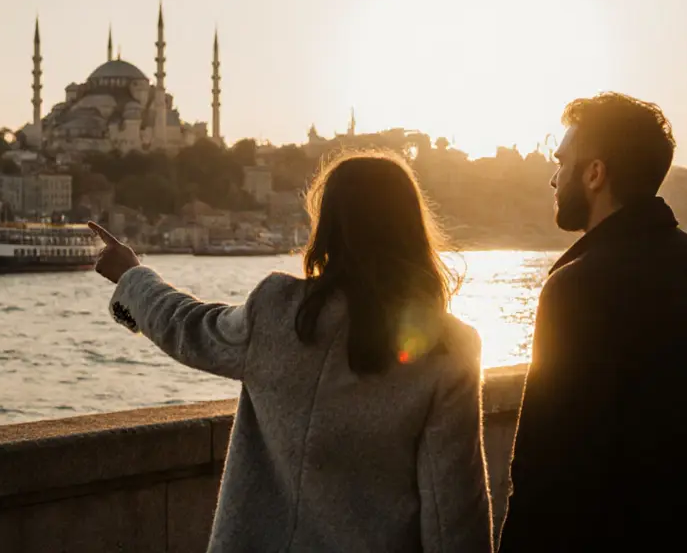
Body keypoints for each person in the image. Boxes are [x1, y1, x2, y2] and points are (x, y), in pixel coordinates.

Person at [89, 150, 493, 553]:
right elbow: (453, 519)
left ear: (328, 227)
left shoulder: (278, 311)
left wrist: (131, 276)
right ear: (412, 230)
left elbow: (188, 326)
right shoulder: (449, 350)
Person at [498, 93, 687, 552]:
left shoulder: (577, 287)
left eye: (562, 161)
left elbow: (545, 466)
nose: (554, 178)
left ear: (595, 173)